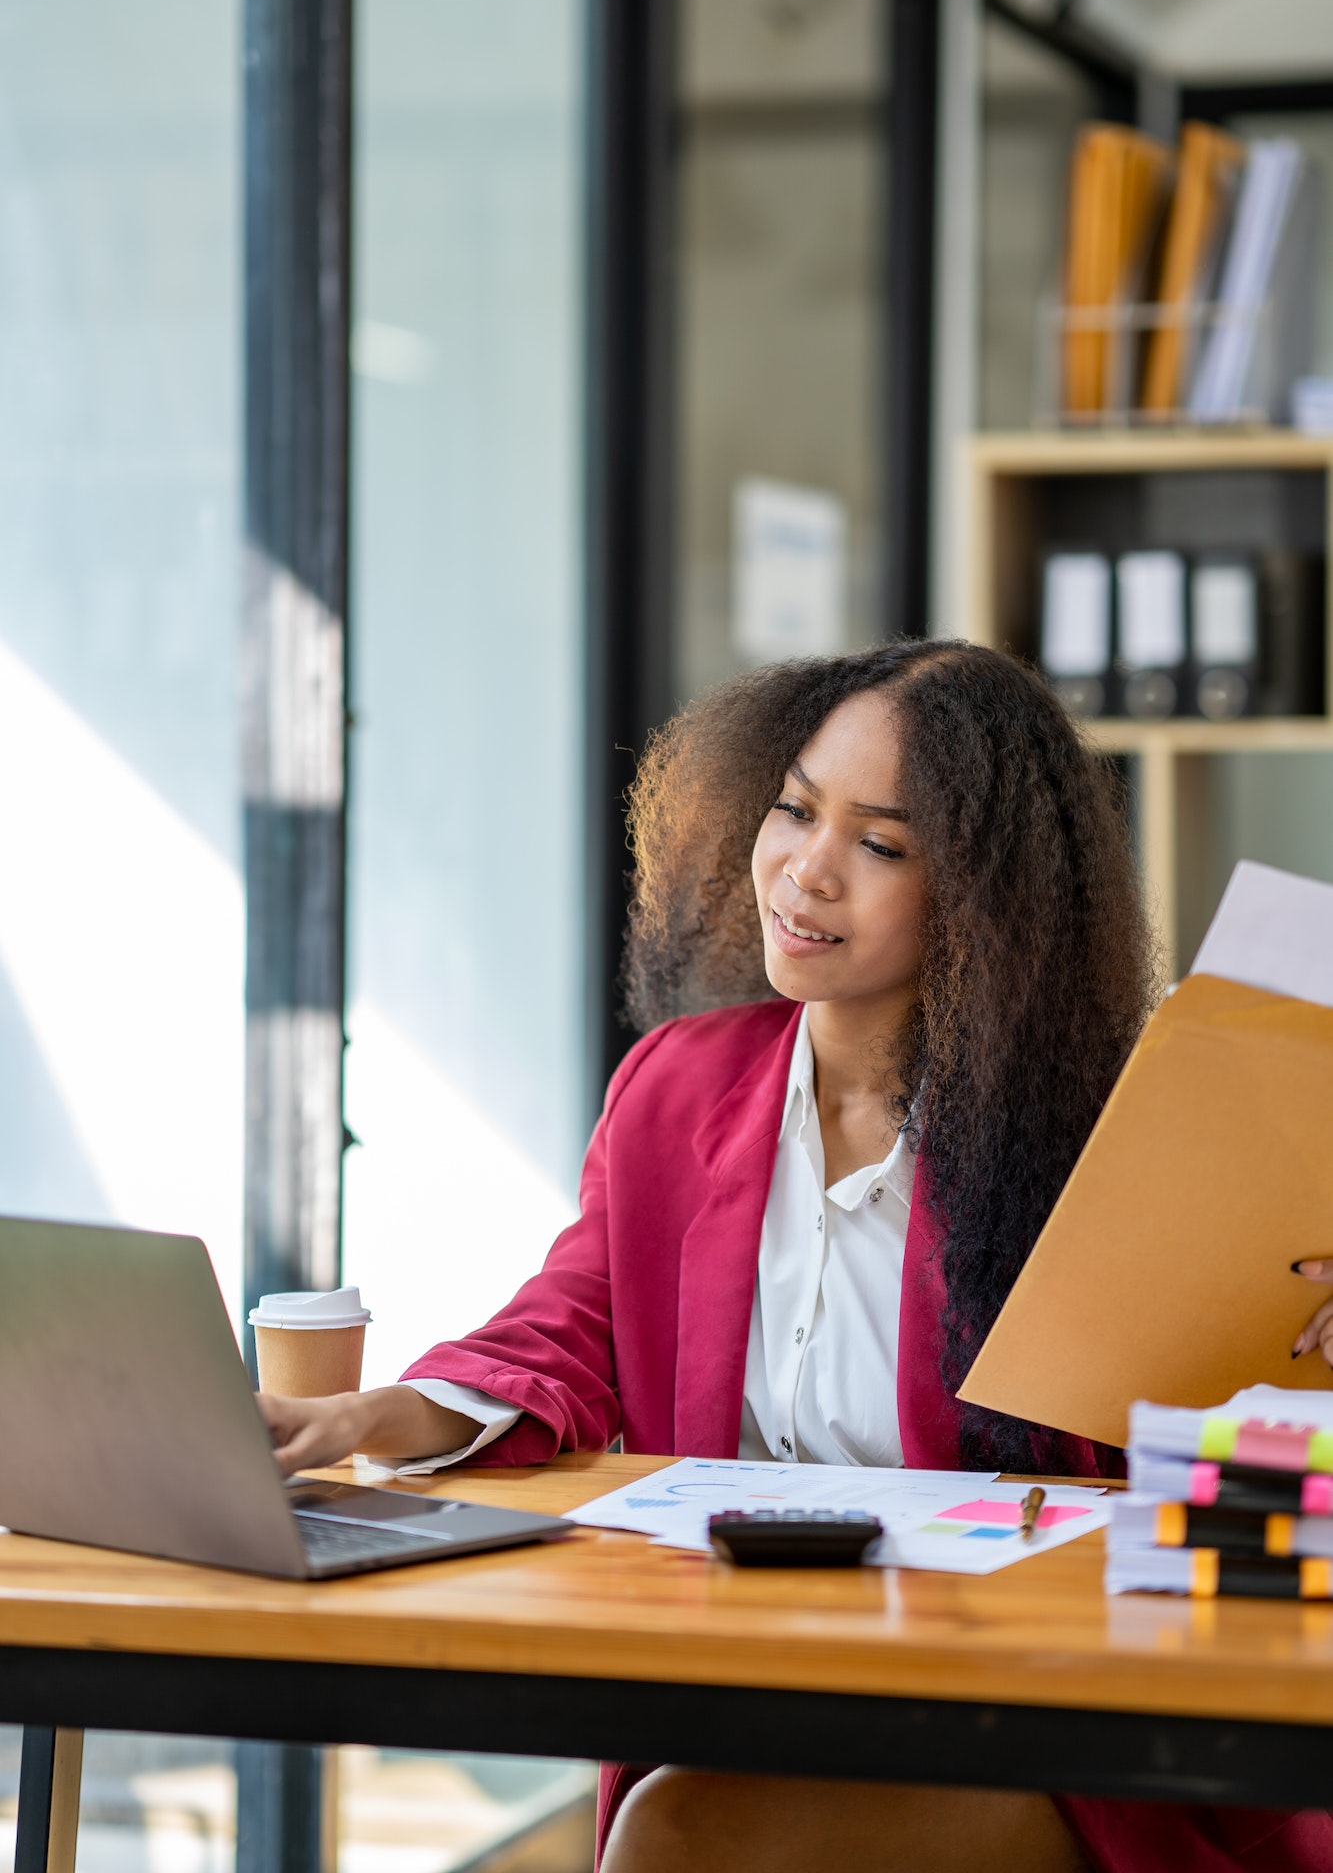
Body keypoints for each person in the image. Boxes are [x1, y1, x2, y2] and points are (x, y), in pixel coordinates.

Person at [260, 640, 1333, 1873]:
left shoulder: (1115, 1127)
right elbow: (565, 1329)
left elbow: (1238, 1479)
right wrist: (356, 1417)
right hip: (757, 1671)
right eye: (793, 808)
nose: (806, 871)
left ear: (985, 893)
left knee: (678, 1833)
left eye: (880, 844)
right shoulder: (678, 1085)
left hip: (1045, 1731)